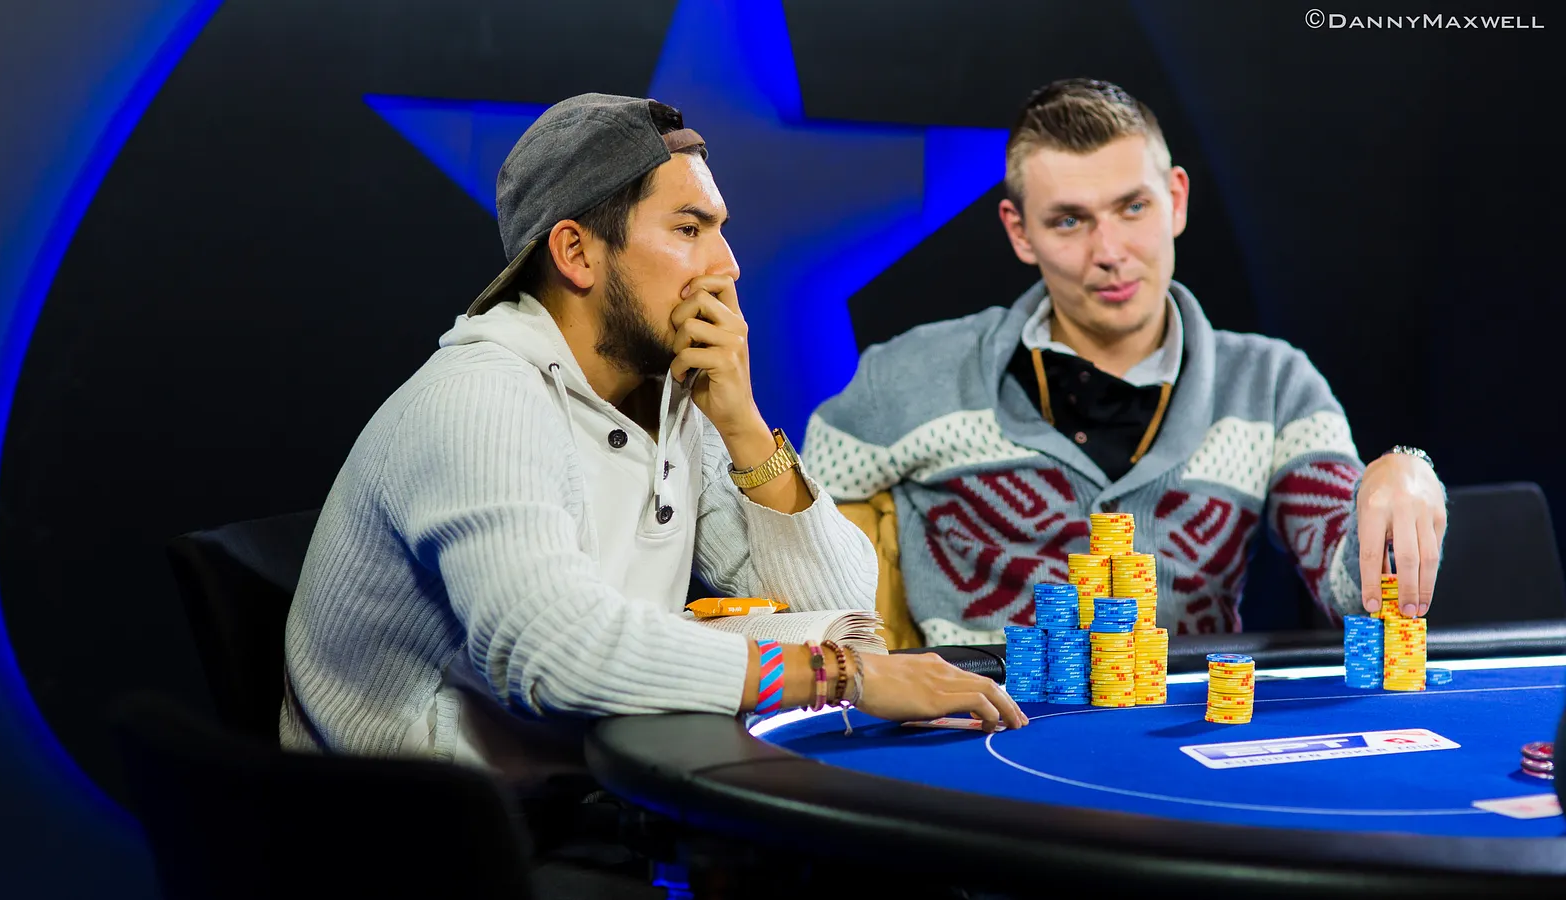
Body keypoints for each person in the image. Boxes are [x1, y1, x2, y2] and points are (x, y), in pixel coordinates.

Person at [280, 92, 1027, 807]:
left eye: (720, 229)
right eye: (689, 229)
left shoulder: (674, 399)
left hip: (584, 794)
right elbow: (553, 653)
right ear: (576, 251)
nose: (728, 265)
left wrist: (743, 425)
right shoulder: (481, 400)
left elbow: (844, 611)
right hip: (430, 841)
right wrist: (837, 675)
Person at [802, 79, 1447, 646]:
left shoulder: (1273, 386)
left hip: (1186, 734)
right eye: (1069, 221)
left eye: (1133, 207)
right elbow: (785, 546)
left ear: (1177, 200)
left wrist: (1401, 476)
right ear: (1019, 231)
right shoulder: (908, 377)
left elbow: (1349, 593)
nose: (1109, 252)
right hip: (977, 732)